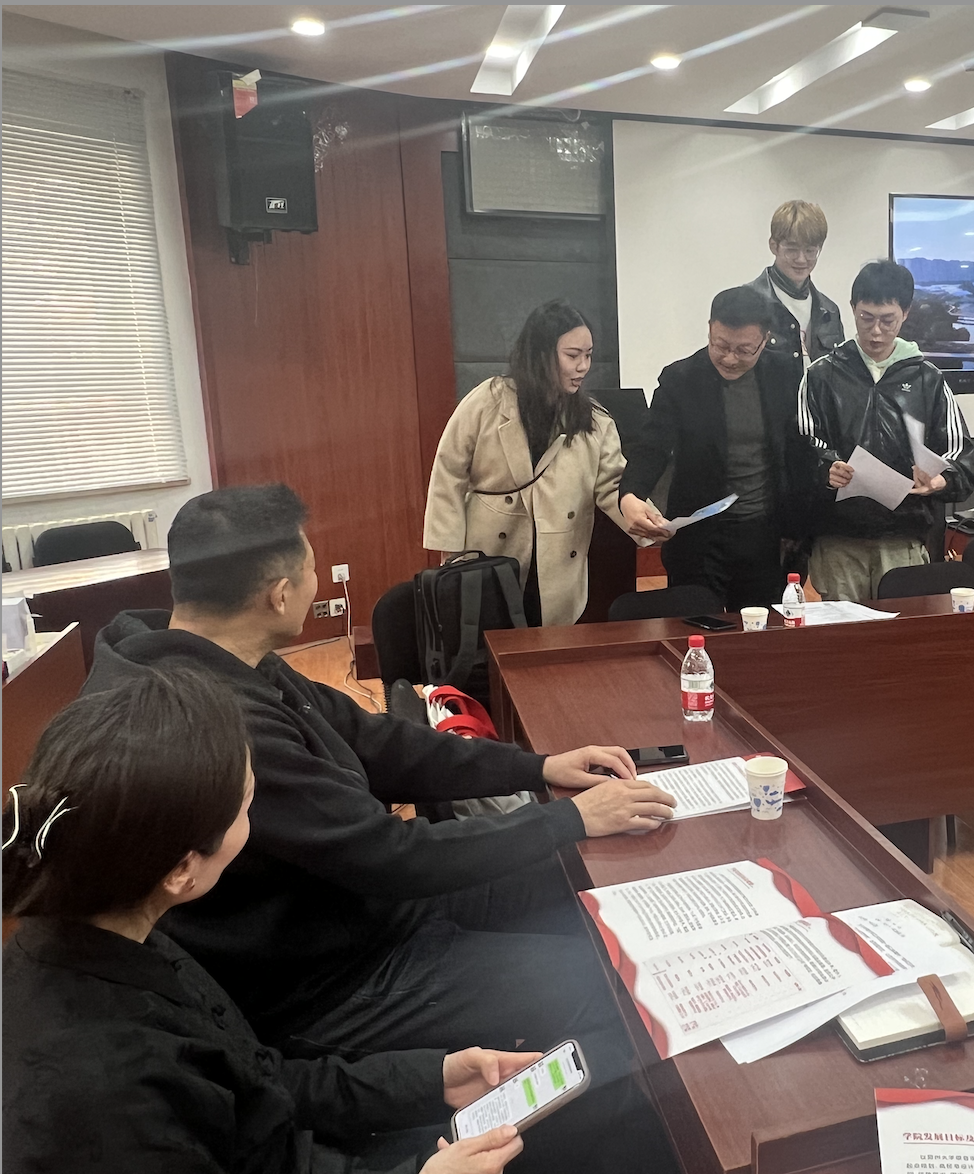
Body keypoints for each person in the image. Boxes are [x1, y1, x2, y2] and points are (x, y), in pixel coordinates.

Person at [84, 484, 678, 1172]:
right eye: (312, 567)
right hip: (330, 980)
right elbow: (388, 855)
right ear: (280, 594)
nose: (316, 580)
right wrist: (568, 816)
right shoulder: (214, 719)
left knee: (577, 894)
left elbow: (377, 744)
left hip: (365, 912)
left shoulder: (214, 651)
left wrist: (536, 768)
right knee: (607, 991)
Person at [3, 667, 531, 1174]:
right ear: (183, 870)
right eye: (247, 805)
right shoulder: (102, 1093)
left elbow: (255, 1084)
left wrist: (430, 1080)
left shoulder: (118, 931)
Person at [425, 300, 637, 627]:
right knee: (489, 641)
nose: (583, 366)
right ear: (540, 354)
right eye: (572, 355)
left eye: (588, 355)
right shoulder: (487, 401)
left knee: (546, 643)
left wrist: (642, 518)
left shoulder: (593, 419)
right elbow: (448, 474)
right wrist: (451, 554)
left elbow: (612, 485)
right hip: (489, 553)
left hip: (557, 556)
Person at [618, 286, 814, 610]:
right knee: (696, 623)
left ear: (765, 340)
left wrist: (799, 529)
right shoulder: (681, 379)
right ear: (710, 328)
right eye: (720, 345)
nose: (730, 358)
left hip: (764, 535)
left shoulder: (785, 375)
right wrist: (631, 495)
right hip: (698, 538)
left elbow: (797, 453)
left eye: (744, 350)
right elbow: (652, 446)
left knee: (760, 629)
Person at [797, 259, 974, 601]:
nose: (876, 331)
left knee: (903, 630)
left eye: (887, 320)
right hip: (839, 540)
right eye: (866, 318)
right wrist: (825, 469)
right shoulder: (821, 375)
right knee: (844, 631)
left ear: (905, 313)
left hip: (903, 538)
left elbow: (961, 460)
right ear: (852, 308)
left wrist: (939, 480)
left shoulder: (927, 379)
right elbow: (803, 448)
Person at [747, 199, 844, 385]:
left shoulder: (829, 311)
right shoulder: (747, 303)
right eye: (792, 250)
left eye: (810, 251)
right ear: (773, 246)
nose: (801, 259)